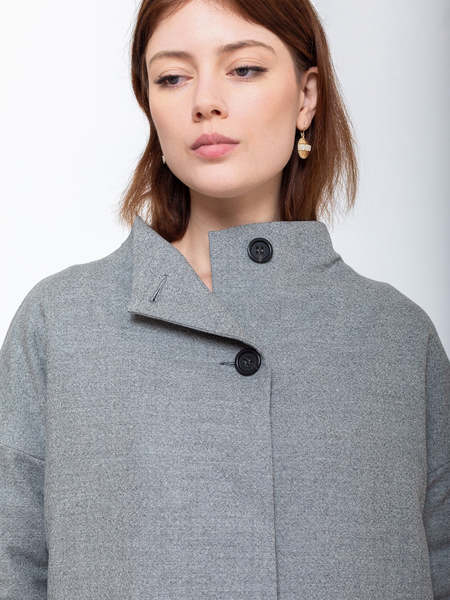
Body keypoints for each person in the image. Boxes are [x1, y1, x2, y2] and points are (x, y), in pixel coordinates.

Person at [1, 0, 448, 598]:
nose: (204, 101)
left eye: (244, 69)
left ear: (307, 97)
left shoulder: (398, 337)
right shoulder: (60, 324)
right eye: (172, 77)